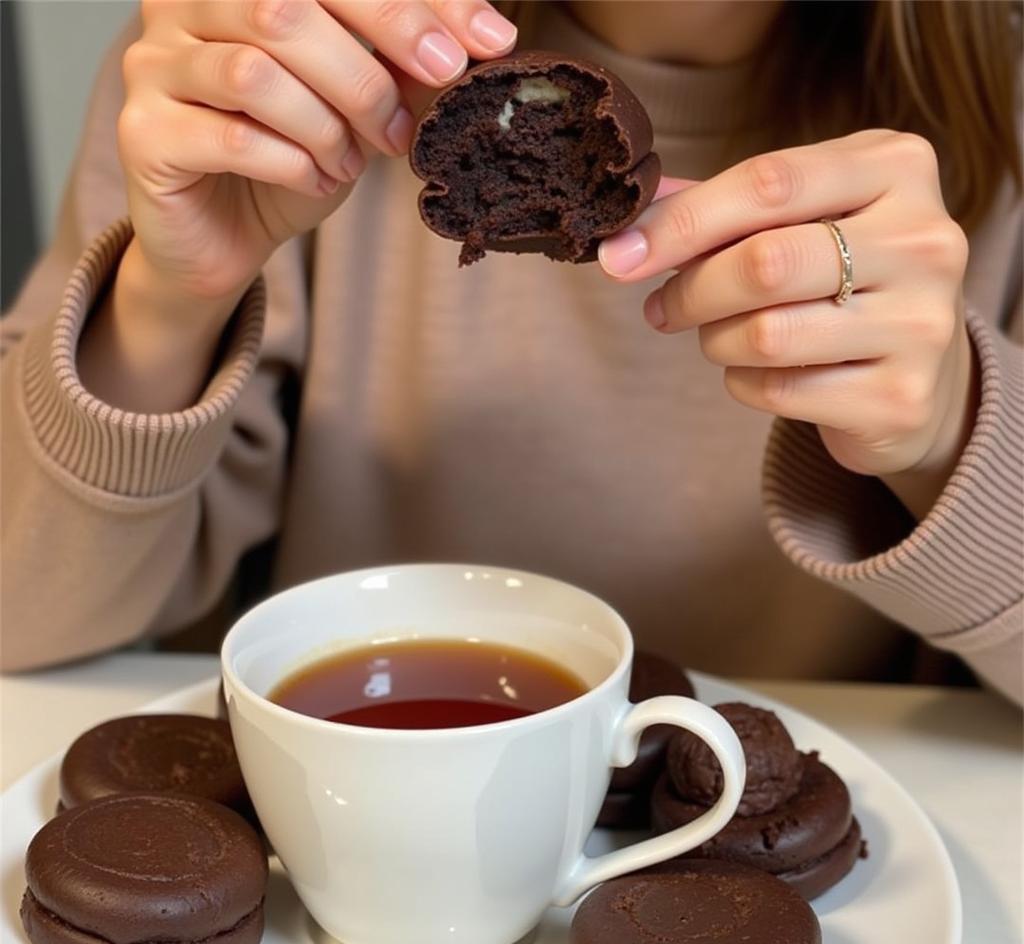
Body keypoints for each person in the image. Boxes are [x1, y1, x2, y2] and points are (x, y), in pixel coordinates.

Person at [2, 1, 1020, 703]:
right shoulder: (273, 68)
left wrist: (947, 433)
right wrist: (170, 301)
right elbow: (20, 616)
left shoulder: (999, 131)